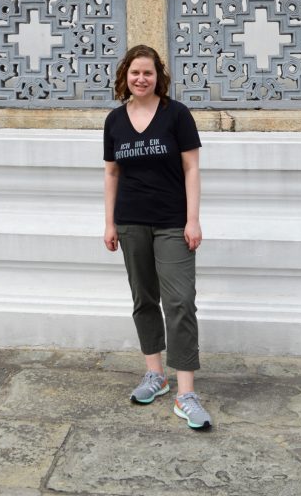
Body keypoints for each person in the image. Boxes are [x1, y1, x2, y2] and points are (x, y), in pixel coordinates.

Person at [103, 44, 212, 430]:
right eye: (135, 73)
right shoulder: (114, 120)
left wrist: (193, 220)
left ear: (158, 76)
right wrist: (109, 223)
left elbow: (192, 169)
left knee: (180, 300)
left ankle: (186, 393)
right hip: (131, 221)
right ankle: (155, 374)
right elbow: (112, 173)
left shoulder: (176, 115)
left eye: (148, 73)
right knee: (144, 298)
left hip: (172, 222)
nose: (141, 79)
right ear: (125, 77)